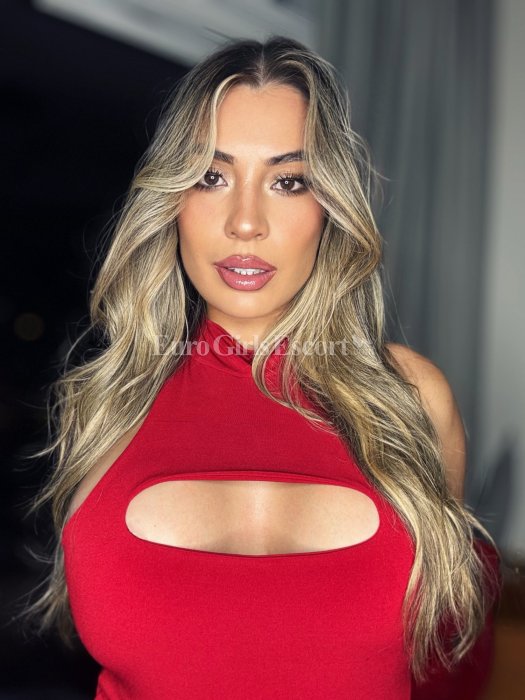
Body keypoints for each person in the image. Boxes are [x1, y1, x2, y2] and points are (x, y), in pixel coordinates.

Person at [25, 36, 502, 699]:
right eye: (211, 176)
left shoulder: (410, 399)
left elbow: (453, 660)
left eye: (287, 181)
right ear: (171, 198)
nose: (245, 222)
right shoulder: (107, 403)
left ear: (329, 205)